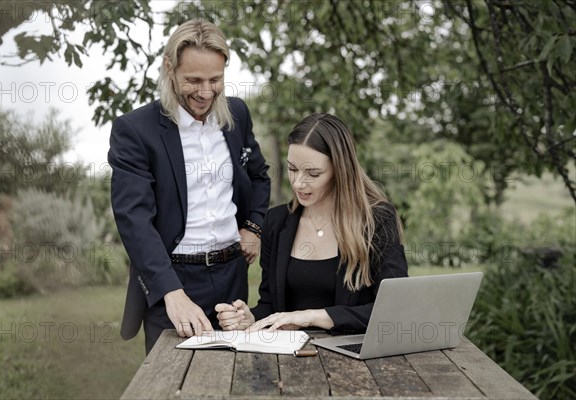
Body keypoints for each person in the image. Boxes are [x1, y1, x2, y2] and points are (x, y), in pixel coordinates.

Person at [108, 19, 270, 353]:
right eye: (193, 80)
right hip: (174, 281)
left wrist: (253, 227)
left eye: (216, 80)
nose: (206, 92)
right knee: (173, 383)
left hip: (233, 278)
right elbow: (134, 219)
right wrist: (171, 292)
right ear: (170, 68)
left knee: (238, 378)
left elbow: (259, 176)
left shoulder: (237, 114)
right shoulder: (135, 130)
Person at [215, 113, 407, 333]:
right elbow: (271, 306)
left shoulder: (376, 220)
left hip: (354, 358)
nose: (298, 183)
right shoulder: (277, 222)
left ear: (340, 170)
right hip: (288, 359)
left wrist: (312, 317)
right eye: (292, 169)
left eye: (313, 173)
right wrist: (249, 318)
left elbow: (394, 308)